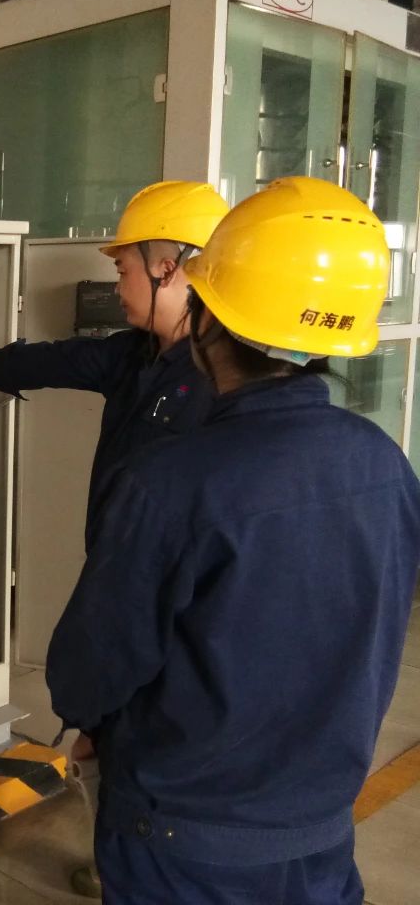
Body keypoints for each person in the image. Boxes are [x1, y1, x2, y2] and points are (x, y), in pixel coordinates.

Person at [46, 177, 420, 904]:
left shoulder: (171, 483)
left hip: (179, 845)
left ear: (209, 318)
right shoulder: (385, 464)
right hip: (319, 837)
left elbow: (87, 670)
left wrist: (93, 722)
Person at [0, 180, 228, 896]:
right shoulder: (139, 356)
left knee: (149, 741)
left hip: (175, 600)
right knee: (106, 737)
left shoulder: (222, 379)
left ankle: (144, 868)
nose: (115, 286)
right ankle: (116, 861)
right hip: (123, 582)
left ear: (168, 267)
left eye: (123, 269)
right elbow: (65, 359)